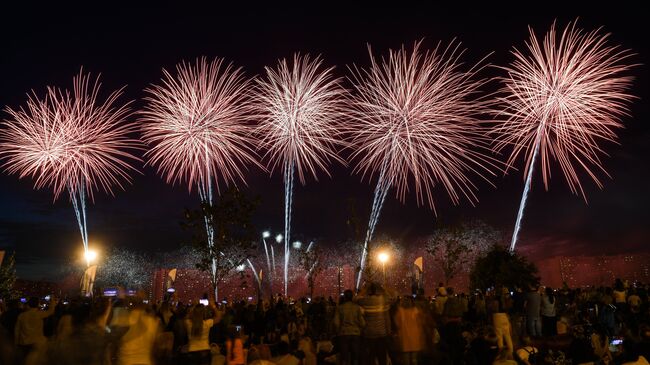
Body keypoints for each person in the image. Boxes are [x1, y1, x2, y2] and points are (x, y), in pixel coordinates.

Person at [14, 296, 56, 363]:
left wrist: (16, 342)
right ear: (37, 304)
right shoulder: (39, 314)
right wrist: (52, 302)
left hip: (24, 343)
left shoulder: (21, 316)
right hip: (36, 343)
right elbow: (51, 311)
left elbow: (17, 330)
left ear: (29, 304)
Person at [358, 283, 390, 365]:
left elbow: (355, 299)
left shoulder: (365, 300)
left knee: (370, 357)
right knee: (382, 357)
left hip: (369, 334)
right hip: (381, 333)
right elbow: (392, 298)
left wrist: (364, 289)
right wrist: (384, 290)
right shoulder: (382, 300)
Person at [334, 289, 365, 365]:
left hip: (343, 333)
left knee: (344, 358)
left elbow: (336, 322)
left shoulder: (339, 308)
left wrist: (338, 331)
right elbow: (363, 323)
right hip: (355, 334)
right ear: (352, 297)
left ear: (344, 297)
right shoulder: (357, 308)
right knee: (355, 358)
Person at [393, 296, 425, 365]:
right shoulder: (416, 310)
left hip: (404, 338)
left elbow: (397, 324)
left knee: (406, 359)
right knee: (414, 359)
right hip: (415, 338)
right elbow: (421, 322)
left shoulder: (400, 311)